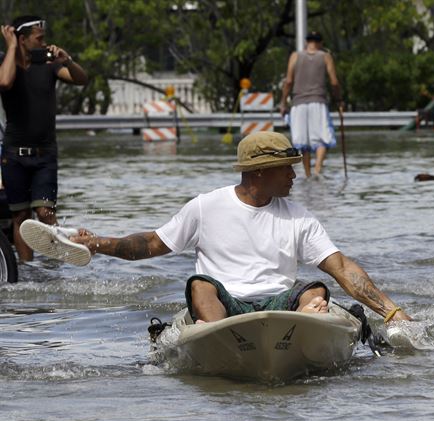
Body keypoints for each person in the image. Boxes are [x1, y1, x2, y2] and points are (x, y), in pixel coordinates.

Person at [70, 131, 411, 324]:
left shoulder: (299, 216)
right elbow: (150, 245)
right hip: (225, 305)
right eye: (286, 169)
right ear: (259, 172)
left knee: (315, 288)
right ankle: (218, 333)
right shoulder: (205, 206)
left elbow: (341, 267)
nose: (295, 175)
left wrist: (391, 312)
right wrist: (97, 244)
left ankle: (305, 321)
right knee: (201, 286)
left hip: (279, 305)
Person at [0, 16, 88, 262]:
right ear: (22, 39)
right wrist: (11, 48)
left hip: (45, 155)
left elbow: (82, 80)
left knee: (46, 213)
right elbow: (4, 82)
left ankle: (56, 267)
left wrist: (67, 60)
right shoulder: (5, 62)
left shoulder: (50, 65)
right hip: (13, 154)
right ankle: (27, 271)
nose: (44, 43)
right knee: (21, 216)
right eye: (39, 38)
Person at [280, 31, 342, 178]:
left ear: (306, 42)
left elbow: (288, 81)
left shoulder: (295, 56)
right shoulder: (325, 57)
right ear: (320, 43)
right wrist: (339, 99)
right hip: (318, 102)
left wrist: (283, 102)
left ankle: (308, 174)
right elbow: (334, 82)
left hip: (298, 103)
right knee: (321, 138)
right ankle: (317, 170)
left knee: (303, 141)